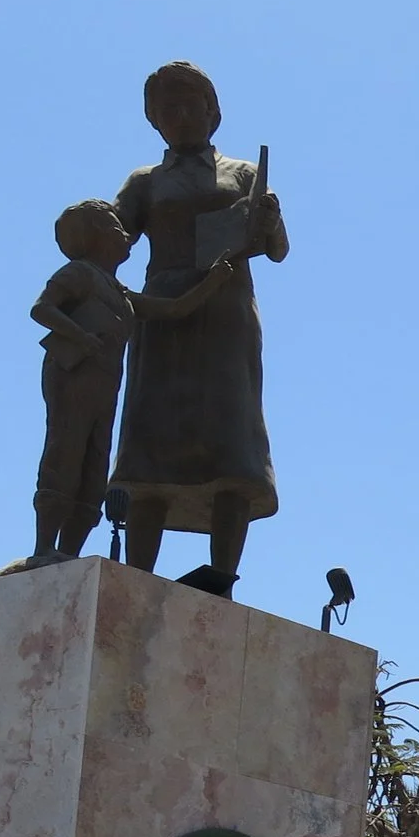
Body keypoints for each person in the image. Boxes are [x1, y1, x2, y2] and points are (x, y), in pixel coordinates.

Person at [109, 61, 286, 595]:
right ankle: (139, 578)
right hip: (162, 312)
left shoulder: (243, 174)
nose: (181, 116)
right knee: (148, 444)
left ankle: (222, 577)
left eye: (191, 106)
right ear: (153, 121)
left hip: (226, 313)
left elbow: (277, 250)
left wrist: (269, 220)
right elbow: (111, 242)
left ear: (214, 114)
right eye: (168, 109)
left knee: (230, 445)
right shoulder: (146, 182)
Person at [25, 201, 231, 569]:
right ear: (95, 237)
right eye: (115, 227)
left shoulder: (118, 292)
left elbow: (172, 309)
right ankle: (44, 547)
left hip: (105, 384)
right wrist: (82, 335)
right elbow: (42, 309)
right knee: (65, 453)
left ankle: (67, 554)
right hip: (74, 374)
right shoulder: (80, 274)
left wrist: (212, 282)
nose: (125, 234)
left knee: (94, 467)